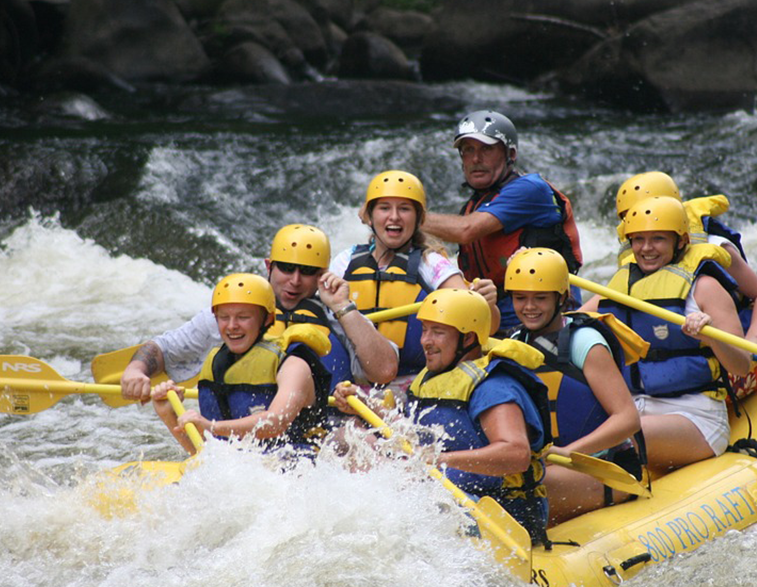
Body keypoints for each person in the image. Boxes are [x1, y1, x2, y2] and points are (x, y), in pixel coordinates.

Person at [334, 288, 552, 545]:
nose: (425, 340)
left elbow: (516, 454)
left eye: (437, 332)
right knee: (351, 444)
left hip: (500, 513)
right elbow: (414, 433)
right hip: (453, 497)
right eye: (425, 330)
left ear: (468, 338)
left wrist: (441, 460)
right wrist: (366, 405)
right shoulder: (434, 378)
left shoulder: (494, 387)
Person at [120, 224, 398, 403]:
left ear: (323, 275)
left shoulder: (338, 314)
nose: (295, 280)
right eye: (286, 268)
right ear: (269, 267)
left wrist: (343, 308)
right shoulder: (236, 314)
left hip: (321, 435)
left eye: (308, 272)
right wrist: (136, 369)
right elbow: (163, 348)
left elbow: (384, 371)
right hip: (246, 437)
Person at [582, 197, 751, 478]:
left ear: (681, 241)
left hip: (695, 415)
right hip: (631, 407)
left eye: (658, 239)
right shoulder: (619, 287)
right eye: (638, 240)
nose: (646, 248)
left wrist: (713, 338)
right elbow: (566, 323)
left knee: (620, 437)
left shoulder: (706, 288)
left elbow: (741, 365)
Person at [504, 248, 643, 525]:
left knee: (523, 493)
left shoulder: (585, 342)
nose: (529, 307)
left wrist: (570, 452)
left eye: (540, 298)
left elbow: (628, 418)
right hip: (549, 465)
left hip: (605, 468)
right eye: (520, 298)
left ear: (562, 298)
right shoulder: (515, 342)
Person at [614, 171, 757, 398]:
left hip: (735, 348)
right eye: (627, 218)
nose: (636, 221)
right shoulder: (641, 254)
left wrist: (752, 342)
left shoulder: (714, 247)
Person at [331, 169, 498, 389]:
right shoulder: (345, 262)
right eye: (384, 208)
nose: (394, 216)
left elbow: (488, 324)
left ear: (419, 219)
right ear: (369, 216)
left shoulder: (431, 265)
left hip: (415, 388)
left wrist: (487, 303)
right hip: (351, 390)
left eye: (404, 209)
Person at [422, 110, 583, 333]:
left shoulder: (530, 189)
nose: (476, 159)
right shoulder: (473, 206)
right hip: (494, 314)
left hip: (542, 314)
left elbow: (466, 230)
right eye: (468, 150)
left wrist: (404, 214)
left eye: (486, 149)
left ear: (511, 154)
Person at [151, 273, 331, 455]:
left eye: (243, 317)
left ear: (267, 319)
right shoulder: (216, 364)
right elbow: (205, 455)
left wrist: (210, 426)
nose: (232, 326)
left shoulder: (293, 364)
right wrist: (168, 414)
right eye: (224, 317)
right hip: (248, 473)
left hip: (300, 469)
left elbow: (277, 422)